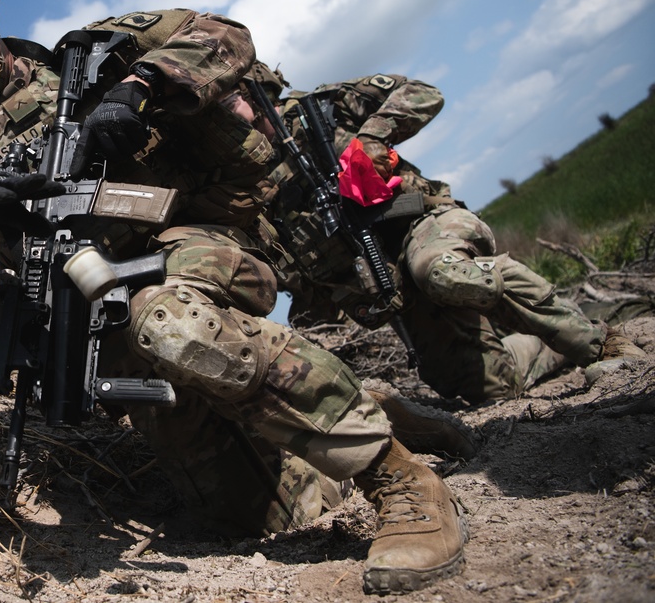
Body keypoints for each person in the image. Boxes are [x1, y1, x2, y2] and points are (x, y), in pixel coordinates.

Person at [0, 0, 467, 594]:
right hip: (103, 310)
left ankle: (399, 479)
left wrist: (142, 87)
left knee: (168, 318)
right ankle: (357, 409)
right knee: (255, 513)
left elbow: (226, 37)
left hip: (194, 245)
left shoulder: (96, 53)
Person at [238, 63, 645, 405]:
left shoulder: (322, 110)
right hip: (388, 281)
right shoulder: (243, 180)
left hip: (428, 224)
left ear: (253, 89)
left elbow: (422, 92)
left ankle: (601, 345)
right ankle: (545, 340)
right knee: (487, 389)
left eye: (227, 101)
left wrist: (373, 136)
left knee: (441, 271)